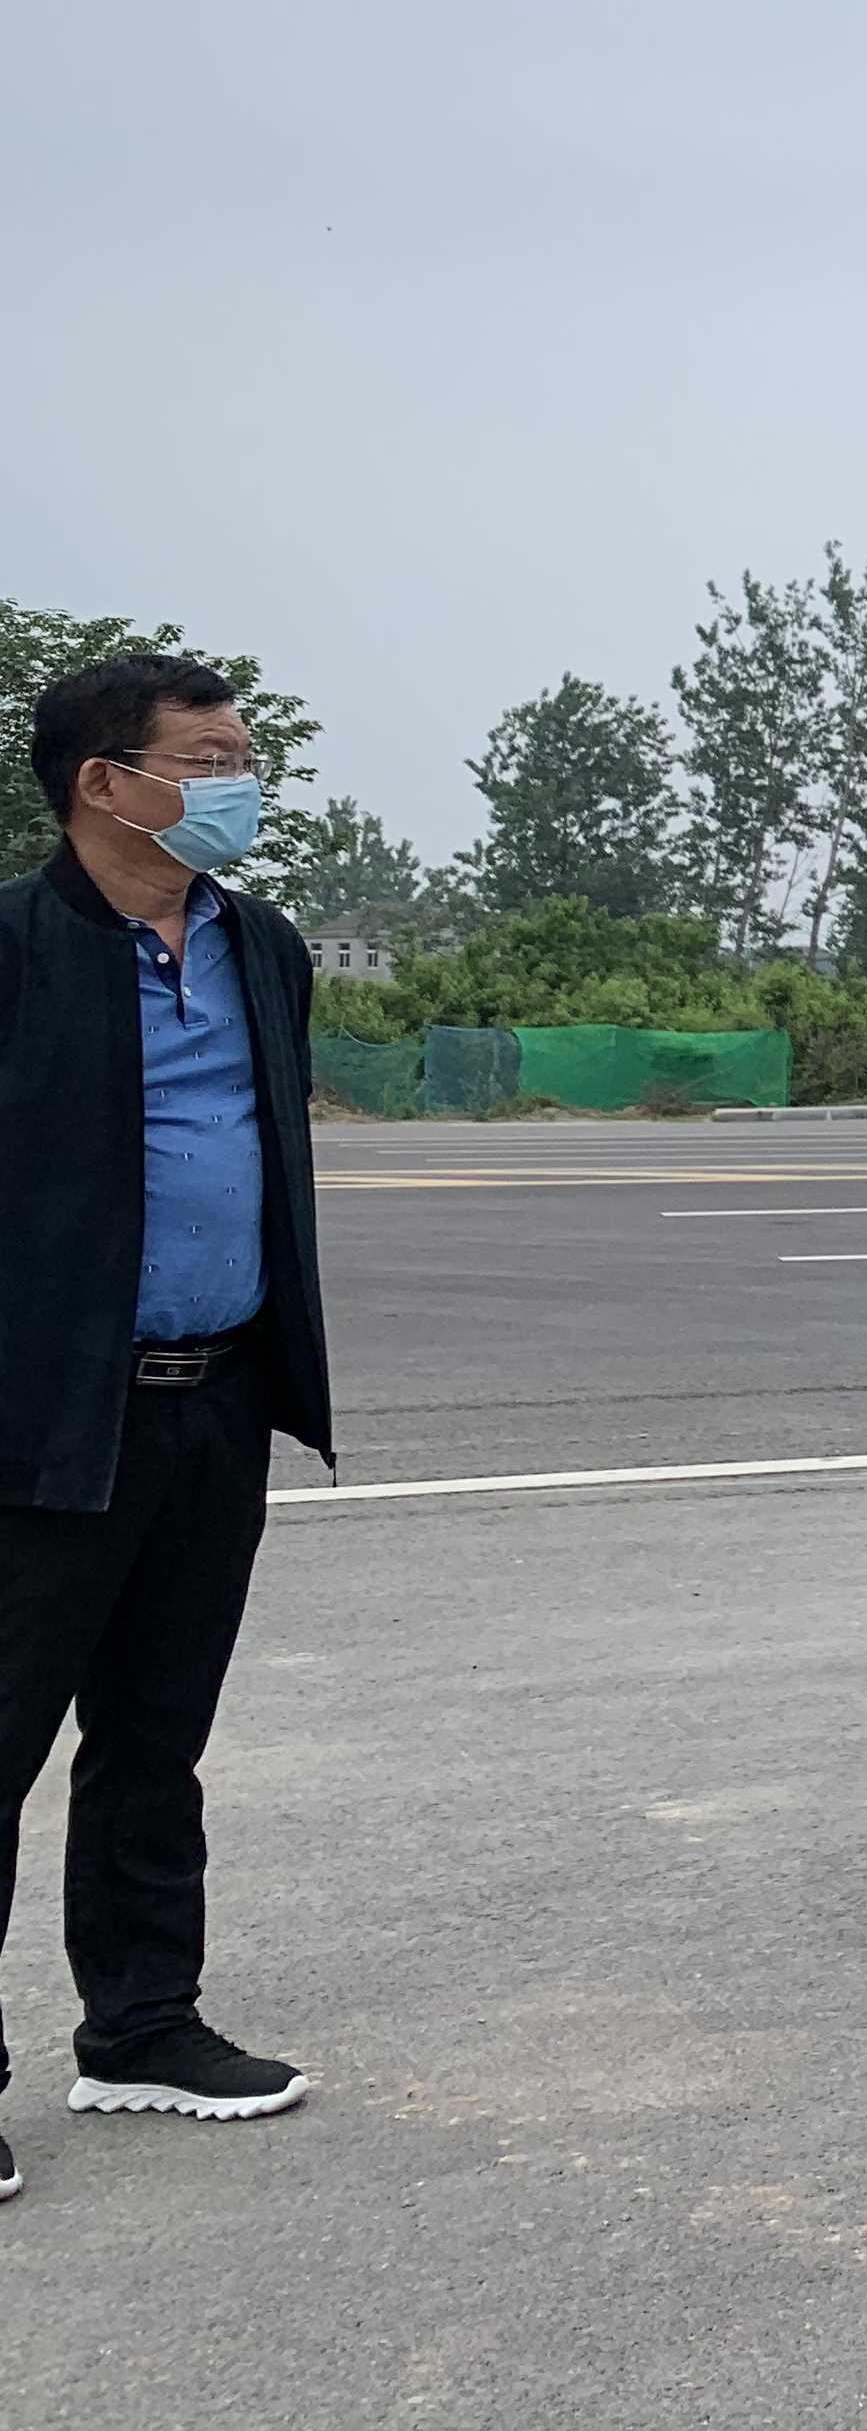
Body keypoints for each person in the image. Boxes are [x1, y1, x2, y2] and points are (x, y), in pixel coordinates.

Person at [2, 655, 331, 2212]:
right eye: (206, 761)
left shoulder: (262, 945)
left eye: (243, 758)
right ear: (104, 783)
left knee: (154, 1740)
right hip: (42, 1422)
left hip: (217, 1404)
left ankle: (140, 2026)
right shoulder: (14, 949)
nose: (238, 786)